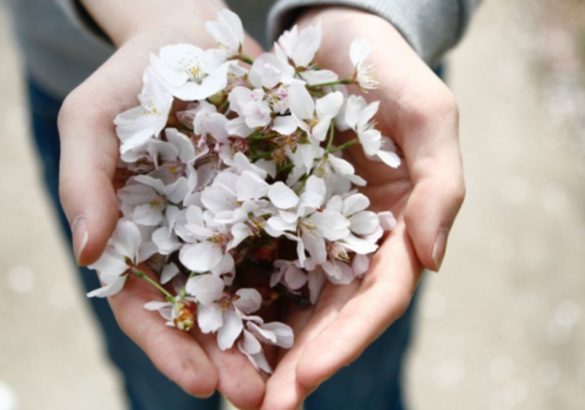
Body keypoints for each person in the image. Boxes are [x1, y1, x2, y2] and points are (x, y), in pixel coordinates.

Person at [6, 0, 479, 408]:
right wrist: (157, 14)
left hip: (360, 48)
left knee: (356, 388)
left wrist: (373, 13)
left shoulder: (332, 123)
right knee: (161, 388)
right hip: (90, 67)